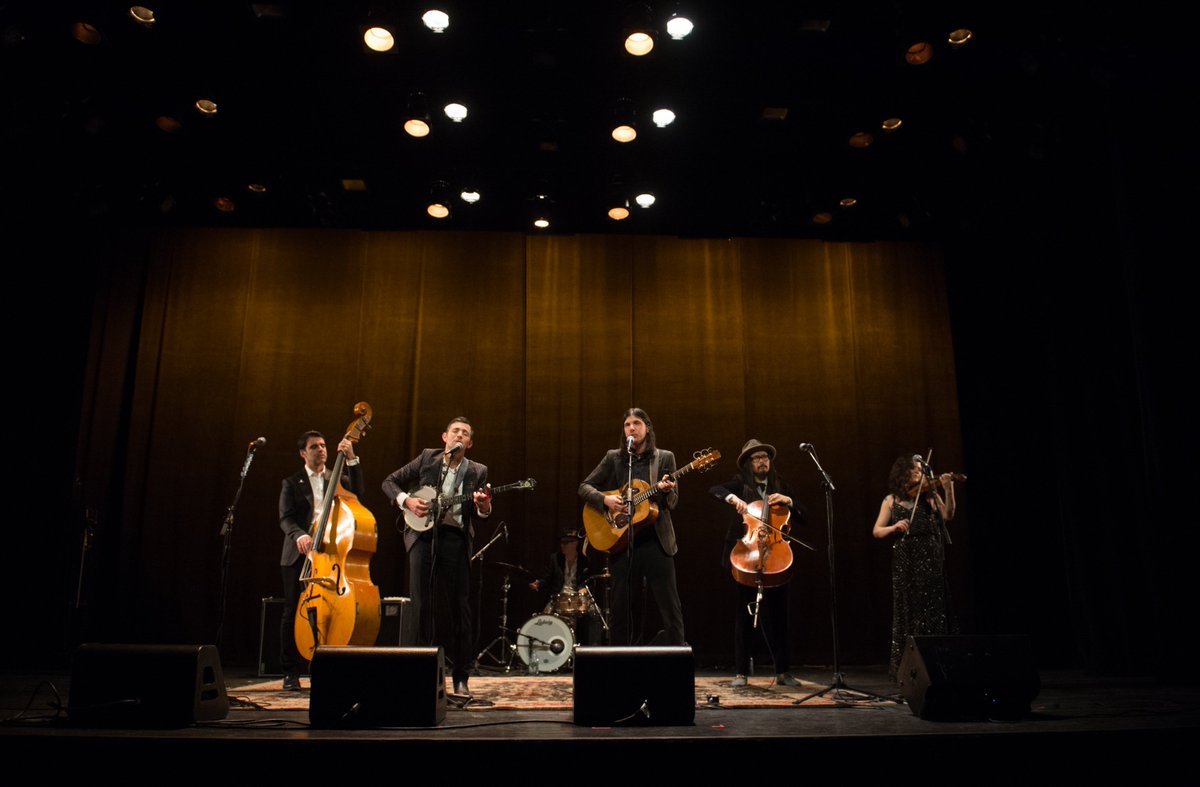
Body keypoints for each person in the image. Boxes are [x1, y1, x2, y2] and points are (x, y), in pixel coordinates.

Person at [382, 417, 491, 697]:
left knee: (459, 609)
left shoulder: (477, 471)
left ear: (470, 443)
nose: (459, 435)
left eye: (465, 433)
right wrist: (406, 500)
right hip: (423, 537)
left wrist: (484, 507)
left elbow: (481, 513)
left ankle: (461, 678)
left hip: (455, 540)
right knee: (420, 605)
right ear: (445, 437)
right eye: (455, 431)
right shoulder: (427, 458)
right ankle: (419, 673)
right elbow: (389, 482)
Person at [579, 407, 685, 646]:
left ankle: (678, 659)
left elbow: (673, 502)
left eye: (637, 423)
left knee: (670, 607)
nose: (632, 428)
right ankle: (618, 663)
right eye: (627, 424)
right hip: (624, 540)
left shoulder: (665, 458)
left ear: (647, 428)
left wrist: (666, 491)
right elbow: (584, 487)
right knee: (620, 607)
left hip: (658, 541)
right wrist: (606, 500)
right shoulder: (614, 458)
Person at [710, 439, 805, 688]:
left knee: (780, 616)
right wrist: (733, 498)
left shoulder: (781, 486)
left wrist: (790, 502)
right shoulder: (741, 483)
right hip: (747, 554)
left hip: (777, 554)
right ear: (748, 464)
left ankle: (783, 671)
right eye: (756, 458)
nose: (761, 461)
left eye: (764, 457)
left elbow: (804, 515)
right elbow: (716, 490)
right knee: (743, 614)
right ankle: (741, 672)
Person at [278, 430, 362, 691]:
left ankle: (326, 665)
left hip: (329, 554)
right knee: (293, 611)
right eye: (315, 447)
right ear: (303, 453)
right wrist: (299, 535)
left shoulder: (336, 479)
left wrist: (352, 459)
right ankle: (290, 672)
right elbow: (286, 518)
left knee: (331, 610)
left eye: (324, 445)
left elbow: (359, 493)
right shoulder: (292, 482)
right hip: (299, 553)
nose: (321, 450)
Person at [872, 454, 957, 679]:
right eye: (917, 470)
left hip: (929, 554)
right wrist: (894, 528)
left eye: (922, 471)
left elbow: (947, 515)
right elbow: (877, 530)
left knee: (932, 608)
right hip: (905, 556)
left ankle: (937, 665)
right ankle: (907, 668)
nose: (921, 474)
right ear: (904, 473)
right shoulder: (891, 500)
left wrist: (948, 489)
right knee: (907, 607)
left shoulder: (929, 496)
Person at [528, 528, 600, 645]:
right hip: (558, 596)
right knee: (544, 618)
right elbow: (547, 578)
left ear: (575, 543)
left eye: (566, 542)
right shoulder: (555, 559)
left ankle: (591, 650)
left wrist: (584, 590)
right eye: (561, 542)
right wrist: (538, 583)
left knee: (595, 615)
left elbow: (587, 581)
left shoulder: (585, 560)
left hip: (577, 596)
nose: (562, 545)